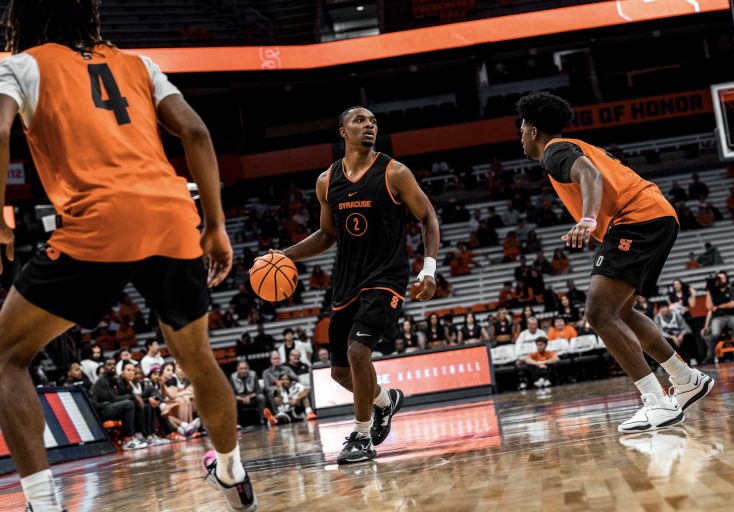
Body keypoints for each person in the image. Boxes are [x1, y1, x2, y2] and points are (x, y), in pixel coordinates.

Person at [0, 5, 255, 503]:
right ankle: (230, 470)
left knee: (6, 355)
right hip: (173, 215)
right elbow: (197, 132)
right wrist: (217, 227)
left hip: (100, 221)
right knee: (199, 359)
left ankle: (43, 501)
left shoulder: (21, 65)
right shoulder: (138, 64)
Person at [517, 91, 711, 433]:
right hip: (656, 216)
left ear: (533, 130)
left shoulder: (554, 151)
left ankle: (657, 401)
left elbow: (590, 176)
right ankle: (686, 379)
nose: (520, 136)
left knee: (597, 312)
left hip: (636, 220)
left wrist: (588, 219)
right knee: (621, 312)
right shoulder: (573, 146)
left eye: (521, 129)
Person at [266, 106, 439, 464]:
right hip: (346, 282)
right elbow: (328, 234)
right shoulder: (327, 181)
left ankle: (361, 437)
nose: (369, 126)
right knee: (341, 373)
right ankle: (384, 401)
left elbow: (428, 217)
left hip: (387, 278)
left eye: (373, 121)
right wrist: (285, 255)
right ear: (343, 131)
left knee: (359, 352)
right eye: (360, 121)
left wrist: (429, 268)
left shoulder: (395, 173)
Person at [92, 358, 148, 450]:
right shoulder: (102, 381)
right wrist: (133, 396)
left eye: (114, 364)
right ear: (104, 368)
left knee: (135, 403)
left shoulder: (114, 380)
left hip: (111, 407)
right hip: (101, 410)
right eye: (109, 364)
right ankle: (128, 440)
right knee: (128, 404)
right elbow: (113, 399)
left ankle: (139, 435)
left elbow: (121, 395)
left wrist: (134, 396)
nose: (112, 366)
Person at [701, 271, 734, 363]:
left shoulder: (732, 289)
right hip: (717, 318)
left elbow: (732, 304)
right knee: (715, 334)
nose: (721, 280)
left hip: (731, 315)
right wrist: (708, 290)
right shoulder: (712, 291)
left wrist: (718, 306)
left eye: (723, 278)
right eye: (719, 278)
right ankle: (710, 356)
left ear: (727, 279)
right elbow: (709, 307)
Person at [229, 361, 266, 428]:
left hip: (252, 397)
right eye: (241, 369)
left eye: (245, 368)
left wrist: (250, 396)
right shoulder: (233, 377)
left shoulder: (253, 374)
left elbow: (259, 390)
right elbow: (231, 394)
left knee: (261, 397)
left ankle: (262, 419)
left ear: (248, 368)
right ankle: (236, 423)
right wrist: (241, 398)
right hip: (240, 399)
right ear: (237, 369)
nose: (243, 371)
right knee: (232, 401)